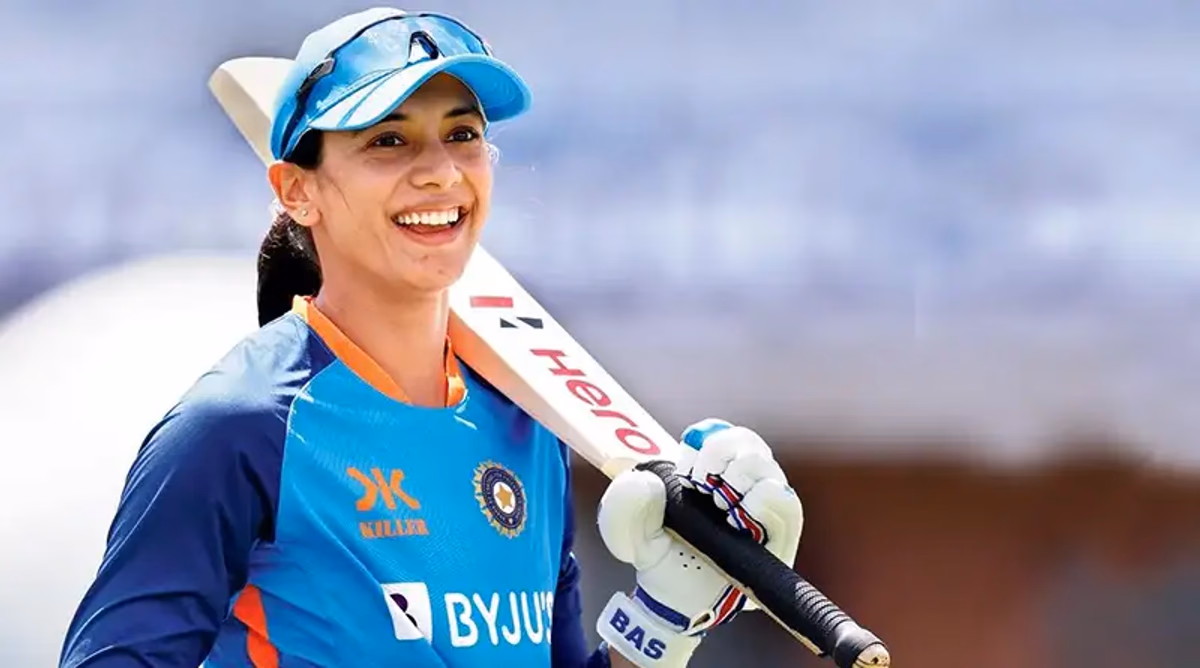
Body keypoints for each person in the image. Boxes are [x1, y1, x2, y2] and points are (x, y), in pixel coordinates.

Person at [58, 8, 803, 668]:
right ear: (297, 190)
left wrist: (662, 624)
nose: (441, 172)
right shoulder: (238, 428)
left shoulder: (531, 422)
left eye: (463, 135)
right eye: (388, 140)